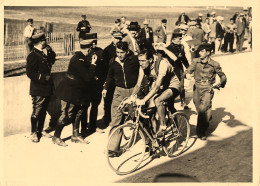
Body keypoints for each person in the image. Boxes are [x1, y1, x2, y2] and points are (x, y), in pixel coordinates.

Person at [52, 33, 98, 146]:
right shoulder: (77, 60)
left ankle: (75, 135)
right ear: (88, 49)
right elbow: (87, 77)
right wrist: (93, 64)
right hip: (70, 92)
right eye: (91, 49)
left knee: (79, 112)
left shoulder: (83, 57)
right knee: (66, 114)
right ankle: (56, 136)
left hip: (79, 92)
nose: (92, 52)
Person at [132, 46, 180, 136]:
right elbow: (138, 84)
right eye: (139, 61)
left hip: (172, 85)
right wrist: (132, 96)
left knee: (158, 100)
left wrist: (144, 99)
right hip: (160, 85)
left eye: (143, 61)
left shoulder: (162, 63)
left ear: (150, 60)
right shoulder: (142, 67)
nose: (140, 63)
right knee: (150, 112)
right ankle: (155, 138)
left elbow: (157, 87)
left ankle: (163, 127)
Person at [102, 41, 139, 156]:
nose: (119, 55)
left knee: (138, 118)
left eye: (122, 52)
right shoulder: (113, 62)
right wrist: (106, 88)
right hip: (119, 92)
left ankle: (149, 142)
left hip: (133, 91)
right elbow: (109, 76)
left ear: (127, 51)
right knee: (116, 119)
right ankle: (113, 149)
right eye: (117, 52)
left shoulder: (134, 60)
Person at [184, 43, 227, 140]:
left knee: (203, 109)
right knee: (199, 108)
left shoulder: (215, 64)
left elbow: (222, 76)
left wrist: (220, 84)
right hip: (197, 87)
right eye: (199, 51)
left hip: (208, 88)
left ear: (208, 52)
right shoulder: (195, 61)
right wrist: (187, 74)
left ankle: (200, 132)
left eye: (202, 51)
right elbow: (188, 70)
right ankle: (207, 116)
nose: (200, 53)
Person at [26, 29, 56, 142]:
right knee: (37, 111)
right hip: (38, 88)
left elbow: (52, 61)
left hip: (47, 87)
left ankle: (40, 130)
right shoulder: (33, 55)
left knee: (43, 110)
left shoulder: (44, 52)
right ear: (40, 41)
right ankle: (33, 133)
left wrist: (51, 52)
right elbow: (30, 73)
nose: (46, 41)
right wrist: (43, 78)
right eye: (44, 40)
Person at [80, 34, 105, 135]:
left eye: (95, 42)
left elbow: (104, 68)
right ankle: (83, 128)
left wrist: (102, 81)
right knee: (84, 107)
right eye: (92, 42)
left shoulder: (101, 52)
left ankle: (93, 126)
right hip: (87, 85)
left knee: (95, 106)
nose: (94, 44)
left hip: (97, 85)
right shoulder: (84, 54)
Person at [102, 31, 124, 125]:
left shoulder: (123, 48)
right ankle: (107, 118)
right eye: (116, 38)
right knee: (108, 100)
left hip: (119, 79)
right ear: (112, 38)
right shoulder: (107, 50)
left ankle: (118, 119)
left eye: (120, 38)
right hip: (110, 79)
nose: (118, 40)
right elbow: (104, 67)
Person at [167, 31, 189, 109]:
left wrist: (188, 68)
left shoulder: (181, 47)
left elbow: (184, 59)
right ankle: (170, 102)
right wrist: (176, 57)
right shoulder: (168, 48)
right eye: (179, 39)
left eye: (181, 38)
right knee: (173, 86)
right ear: (173, 39)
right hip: (172, 70)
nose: (180, 40)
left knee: (182, 86)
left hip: (180, 69)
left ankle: (183, 102)